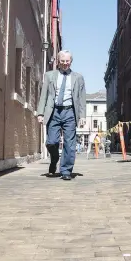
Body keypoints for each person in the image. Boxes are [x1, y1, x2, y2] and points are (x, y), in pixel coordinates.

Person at [37, 50, 86, 181]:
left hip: (70, 112)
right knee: (51, 142)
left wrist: (82, 116)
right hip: (54, 112)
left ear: (71, 61)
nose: (65, 64)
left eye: (67, 61)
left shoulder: (78, 78)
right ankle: (54, 158)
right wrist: (40, 113)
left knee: (70, 143)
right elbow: (44, 95)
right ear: (58, 61)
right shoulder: (49, 76)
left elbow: (81, 98)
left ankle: (66, 171)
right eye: (62, 61)